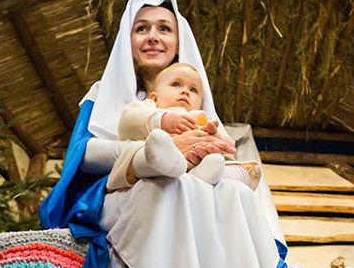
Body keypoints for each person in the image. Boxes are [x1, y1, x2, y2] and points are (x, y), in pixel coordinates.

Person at [39, 0, 288, 268]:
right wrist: (157, 150)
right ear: (127, 39)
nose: (153, 37)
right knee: (164, 186)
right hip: (122, 187)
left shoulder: (195, 102)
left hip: (195, 187)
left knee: (230, 195)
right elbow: (83, 156)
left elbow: (222, 155)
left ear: (178, 40)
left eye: (164, 29)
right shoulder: (107, 93)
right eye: (142, 28)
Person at [106, 62, 261, 190]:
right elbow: (126, 123)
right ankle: (179, 168)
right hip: (156, 161)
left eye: (193, 90)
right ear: (155, 96)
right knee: (151, 149)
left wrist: (218, 142)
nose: (185, 91)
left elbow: (225, 145)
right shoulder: (150, 107)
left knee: (239, 169)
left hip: (195, 163)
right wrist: (161, 119)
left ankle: (202, 176)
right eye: (176, 84)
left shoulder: (202, 118)